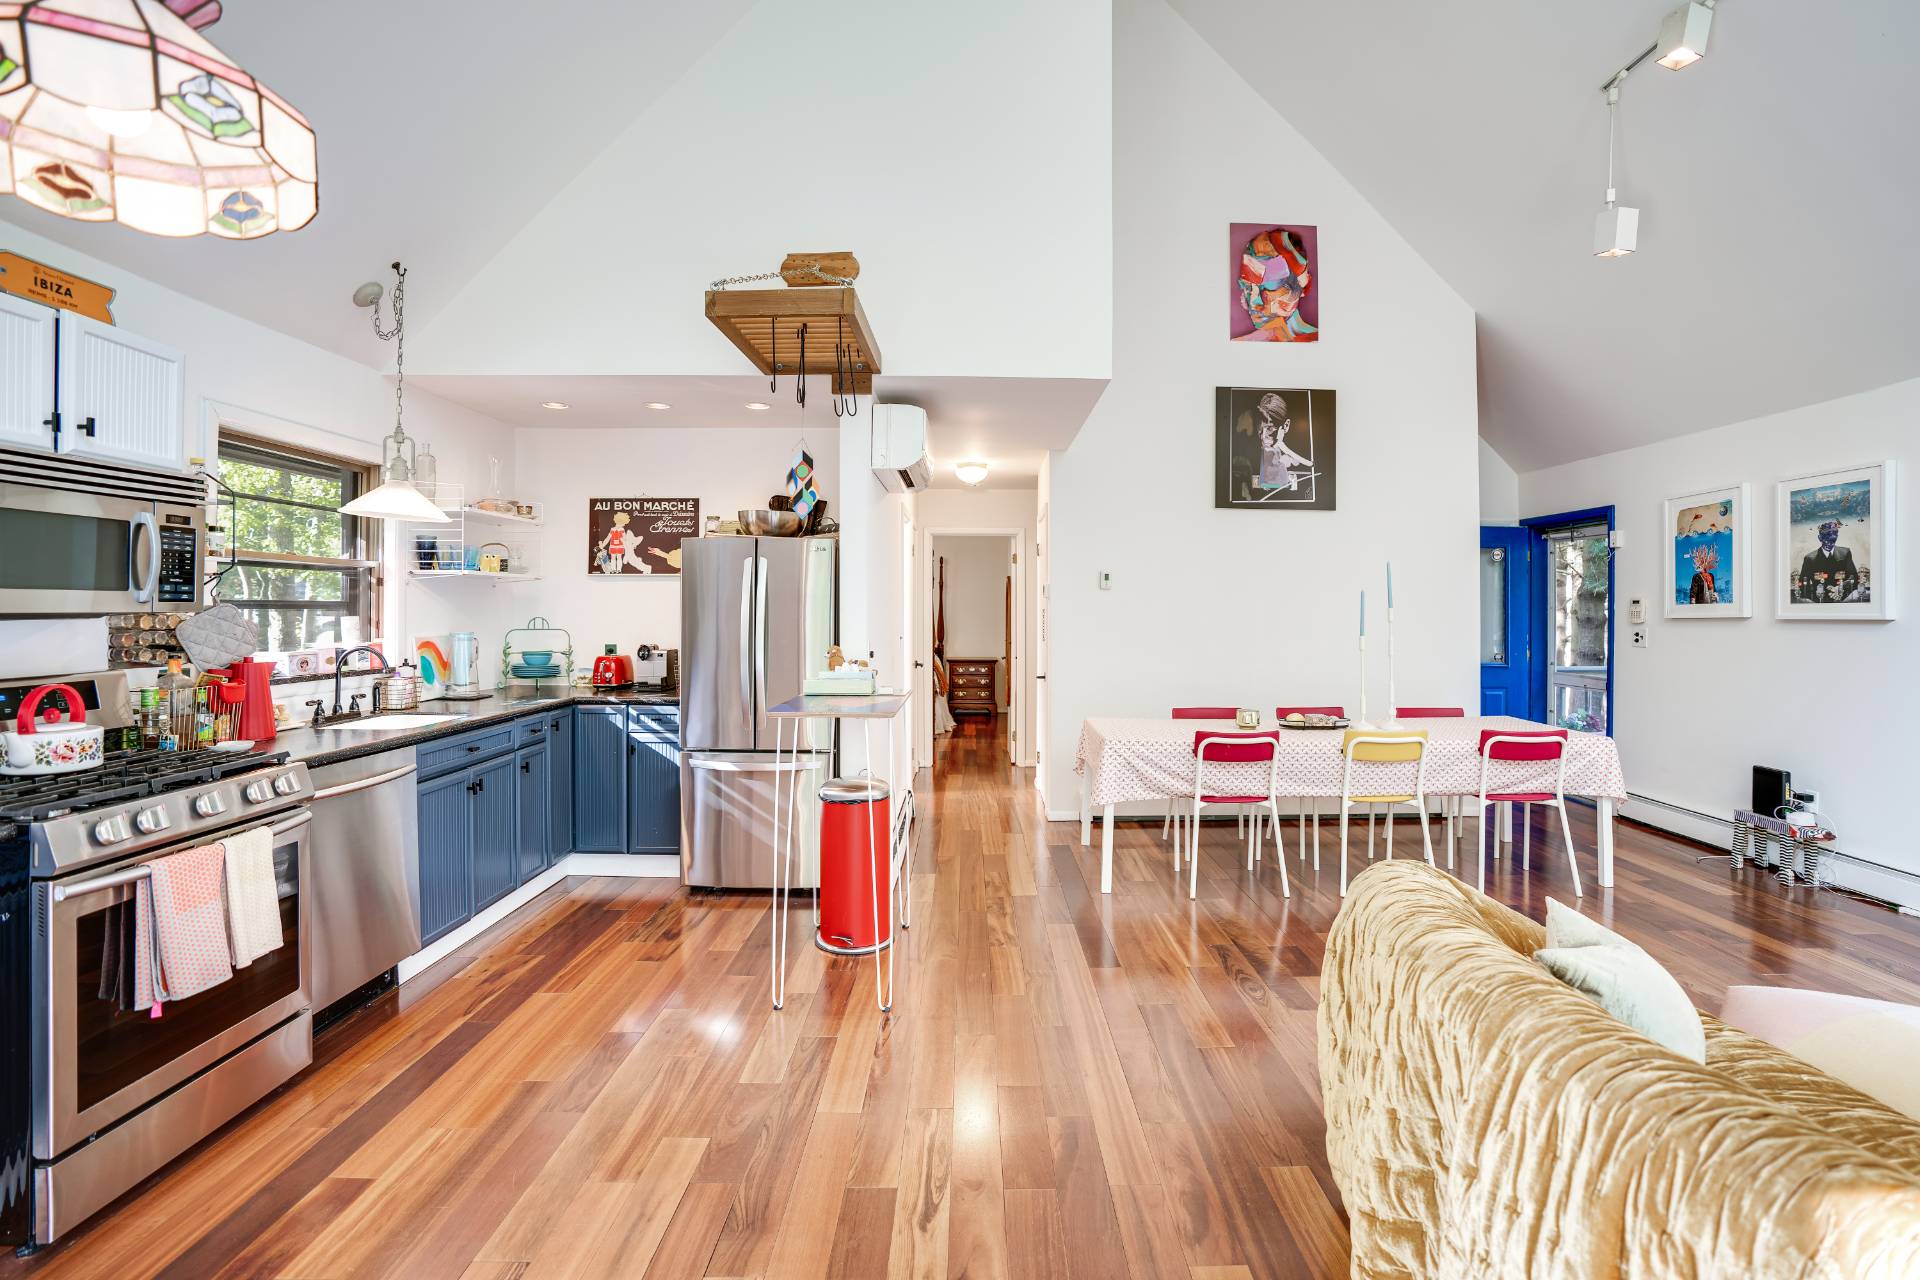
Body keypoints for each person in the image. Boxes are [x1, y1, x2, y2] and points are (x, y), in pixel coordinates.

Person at [1798, 520, 1858, 603]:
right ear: (1820, 538)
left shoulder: (1845, 553)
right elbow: (1803, 586)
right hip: (1820, 601)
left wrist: (1841, 587)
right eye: (1827, 538)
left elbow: (1854, 578)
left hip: (1842, 600)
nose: (1830, 542)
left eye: (1833, 540)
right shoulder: (1810, 559)